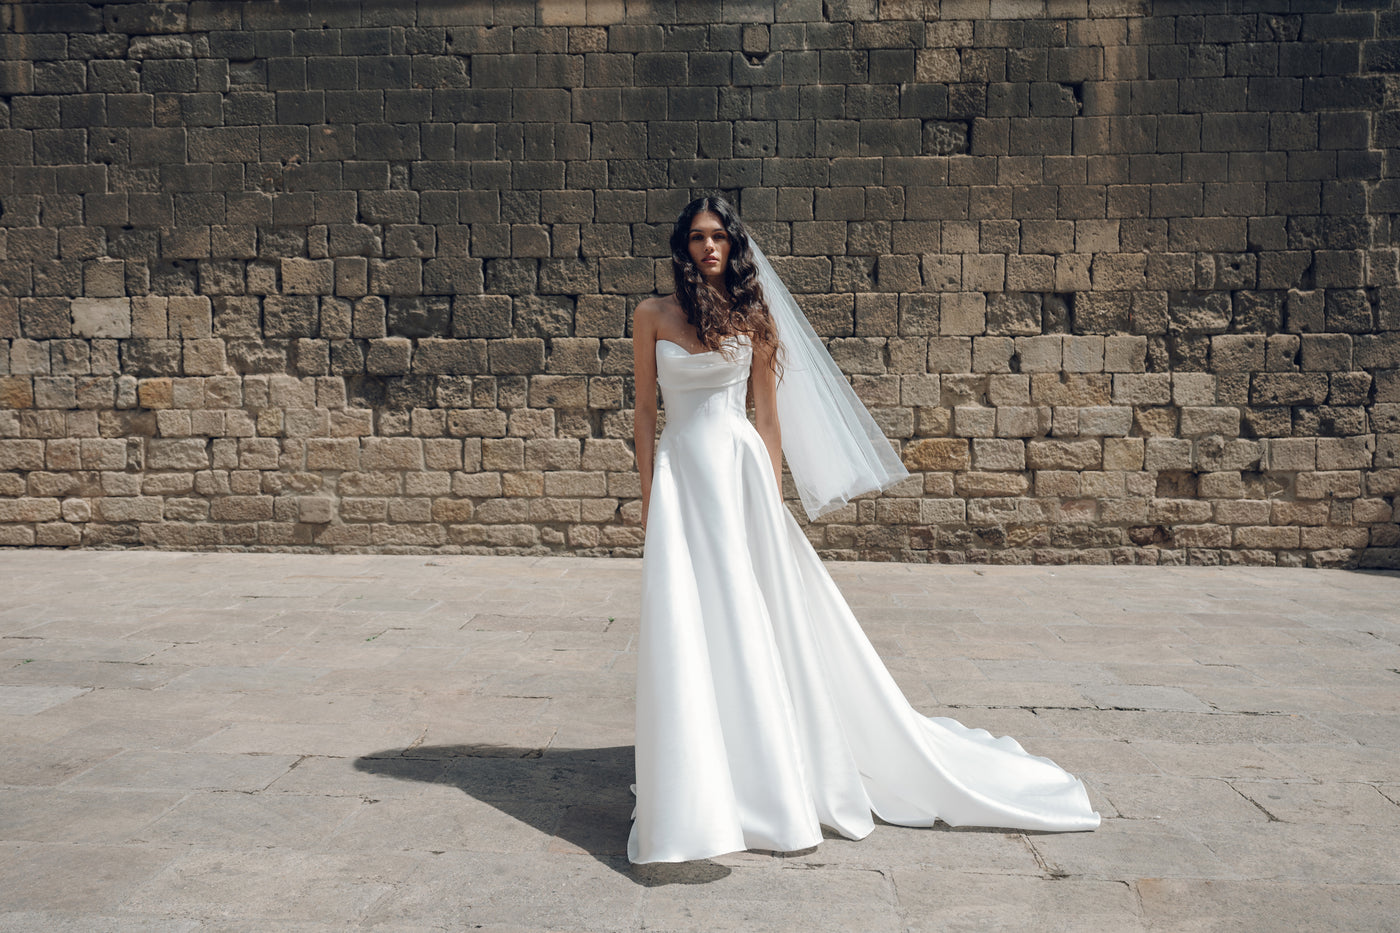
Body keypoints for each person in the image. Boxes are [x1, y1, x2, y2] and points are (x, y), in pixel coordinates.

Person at [627, 196, 1100, 864]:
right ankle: (693, 781)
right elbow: (645, 416)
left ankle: (760, 774)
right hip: (681, 482)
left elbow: (766, 420)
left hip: (738, 479)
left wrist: (767, 493)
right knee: (685, 619)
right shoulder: (651, 315)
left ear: (733, 247)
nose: (709, 248)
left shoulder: (754, 318)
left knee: (745, 617)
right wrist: (649, 500)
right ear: (683, 246)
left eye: (720, 238)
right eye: (698, 238)